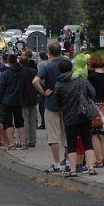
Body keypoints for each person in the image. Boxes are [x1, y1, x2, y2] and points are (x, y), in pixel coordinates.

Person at [54, 59, 98, 176]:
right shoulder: (81, 79)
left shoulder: (59, 83)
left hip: (69, 116)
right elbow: (92, 93)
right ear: (71, 68)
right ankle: (91, 168)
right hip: (84, 114)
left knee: (71, 143)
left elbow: (57, 102)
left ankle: (73, 170)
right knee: (87, 141)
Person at [33, 42, 67, 172]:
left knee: (53, 136)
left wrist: (43, 92)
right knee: (66, 134)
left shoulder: (47, 67)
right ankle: (69, 162)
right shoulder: (67, 65)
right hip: (67, 102)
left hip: (52, 102)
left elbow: (35, 81)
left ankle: (56, 164)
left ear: (49, 52)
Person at [0, 54, 27, 150]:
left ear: (8, 61)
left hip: (6, 101)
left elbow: (0, 89)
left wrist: (0, 100)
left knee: (8, 123)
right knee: (20, 122)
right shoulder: (23, 72)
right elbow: (26, 86)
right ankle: (23, 144)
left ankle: (12, 144)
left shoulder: (5, 74)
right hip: (18, 101)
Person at [88, 54, 104, 168]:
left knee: (94, 134)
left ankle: (98, 160)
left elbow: (89, 91)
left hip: (95, 106)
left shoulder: (92, 76)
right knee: (99, 134)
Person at [20, 56, 38, 147]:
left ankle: (25, 140)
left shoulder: (20, 72)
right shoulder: (34, 71)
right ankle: (33, 140)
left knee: (24, 120)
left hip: (23, 98)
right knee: (32, 120)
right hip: (33, 98)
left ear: (20, 63)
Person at [36, 50, 48, 129]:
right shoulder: (49, 62)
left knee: (42, 106)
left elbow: (39, 77)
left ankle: (43, 123)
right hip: (51, 85)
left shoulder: (40, 64)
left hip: (43, 86)